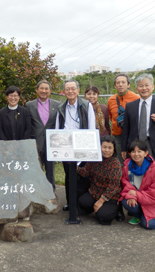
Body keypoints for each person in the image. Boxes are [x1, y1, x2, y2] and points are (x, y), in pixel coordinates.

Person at [55, 79, 95, 211]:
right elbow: (57, 128)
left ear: (78, 90)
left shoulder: (86, 105)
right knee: (68, 175)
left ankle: (81, 203)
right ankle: (70, 202)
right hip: (65, 146)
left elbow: (91, 127)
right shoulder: (61, 107)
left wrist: (89, 148)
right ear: (64, 92)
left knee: (82, 175)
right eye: (67, 89)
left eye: (73, 88)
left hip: (82, 144)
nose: (70, 91)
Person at [121, 73, 155, 167]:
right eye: (141, 86)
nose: (144, 88)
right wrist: (124, 148)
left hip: (153, 144)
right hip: (135, 145)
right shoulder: (130, 106)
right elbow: (126, 129)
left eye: (147, 85)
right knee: (136, 174)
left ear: (152, 87)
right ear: (137, 89)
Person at [120, 140, 155, 229]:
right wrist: (132, 196)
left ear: (146, 153)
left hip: (154, 202)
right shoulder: (126, 167)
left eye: (139, 151)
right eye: (133, 151)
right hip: (139, 198)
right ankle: (140, 215)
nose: (136, 154)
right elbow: (125, 184)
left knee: (149, 226)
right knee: (125, 201)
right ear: (129, 154)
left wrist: (136, 194)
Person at [77, 136, 122, 225]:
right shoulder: (94, 159)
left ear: (114, 149)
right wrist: (74, 166)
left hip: (110, 197)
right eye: (104, 147)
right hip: (95, 192)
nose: (107, 150)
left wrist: (101, 201)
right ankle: (98, 208)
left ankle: (116, 209)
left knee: (104, 217)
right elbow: (85, 172)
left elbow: (112, 187)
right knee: (82, 202)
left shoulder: (115, 164)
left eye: (110, 148)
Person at [25, 80, 60, 189]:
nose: (44, 91)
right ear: (37, 90)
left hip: (51, 143)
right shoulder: (29, 105)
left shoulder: (58, 105)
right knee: (35, 170)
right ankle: (35, 193)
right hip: (35, 143)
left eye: (46, 89)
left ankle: (51, 194)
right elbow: (27, 125)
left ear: (50, 91)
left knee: (50, 171)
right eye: (41, 88)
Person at [107, 73, 139, 165]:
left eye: (123, 82)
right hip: (118, 136)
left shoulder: (136, 98)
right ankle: (123, 179)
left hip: (133, 135)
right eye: (118, 82)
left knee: (134, 161)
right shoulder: (111, 100)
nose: (120, 84)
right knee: (121, 162)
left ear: (128, 85)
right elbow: (111, 117)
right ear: (115, 85)